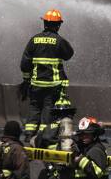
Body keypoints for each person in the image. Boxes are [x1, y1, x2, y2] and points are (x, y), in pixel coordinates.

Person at [20, 9, 74, 140]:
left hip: (36, 84)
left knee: (34, 108)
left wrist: (26, 81)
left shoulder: (34, 40)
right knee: (48, 110)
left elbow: (25, 63)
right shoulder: (59, 41)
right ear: (58, 25)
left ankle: (28, 135)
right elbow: (69, 54)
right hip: (52, 84)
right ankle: (43, 137)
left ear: (44, 23)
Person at [34, 92, 78, 179]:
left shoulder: (47, 129)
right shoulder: (72, 130)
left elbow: (37, 145)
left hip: (53, 172)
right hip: (70, 172)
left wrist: (49, 164)